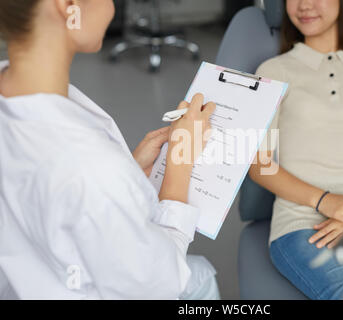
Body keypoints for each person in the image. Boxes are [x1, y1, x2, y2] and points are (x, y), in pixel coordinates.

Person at [0, 0, 219, 299]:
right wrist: (179, 167)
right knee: (199, 276)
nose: (113, 8)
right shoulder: (90, 165)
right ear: (68, 5)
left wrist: (126, 173)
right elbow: (161, 285)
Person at [249, 0, 343, 299]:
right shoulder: (272, 71)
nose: (305, 5)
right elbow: (260, 164)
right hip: (300, 226)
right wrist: (327, 202)